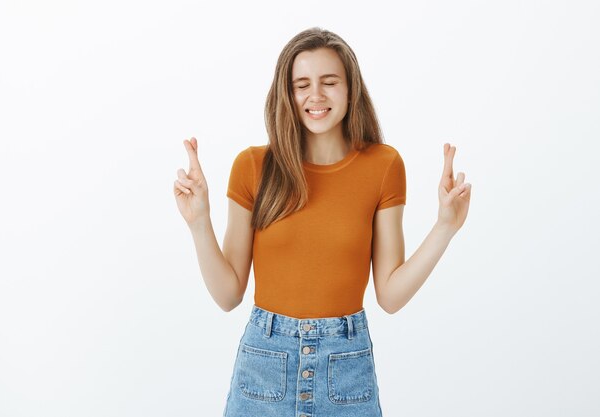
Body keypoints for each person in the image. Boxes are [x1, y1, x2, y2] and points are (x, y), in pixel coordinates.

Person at [173, 27, 471, 417]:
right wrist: (199, 222)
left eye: (329, 82)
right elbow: (228, 294)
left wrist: (445, 226)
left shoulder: (383, 166)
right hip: (265, 365)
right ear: (287, 93)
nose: (316, 96)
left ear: (351, 90)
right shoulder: (252, 167)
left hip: (346, 367)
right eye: (302, 85)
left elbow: (391, 295)